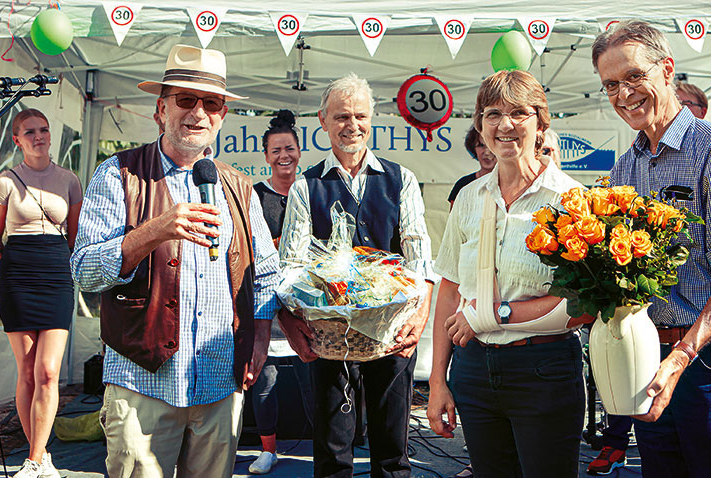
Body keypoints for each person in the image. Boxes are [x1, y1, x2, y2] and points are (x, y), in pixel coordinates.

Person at [70, 44, 281, 478]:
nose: (198, 113)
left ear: (222, 116)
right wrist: (154, 230)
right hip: (143, 383)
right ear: (160, 110)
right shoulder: (120, 174)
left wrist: (260, 340)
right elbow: (85, 271)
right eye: (185, 100)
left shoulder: (239, 187)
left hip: (220, 385)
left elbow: (266, 276)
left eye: (212, 103)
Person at [592, 20, 711, 477]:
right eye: (611, 84)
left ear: (667, 69)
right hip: (651, 358)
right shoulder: (625, 168)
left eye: (634, 77)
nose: (624, 94)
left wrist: (680, 358)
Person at [426, 69, 591, 478]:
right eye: (492, 113)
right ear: (480, 126)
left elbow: (582, 305)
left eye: (519, 113)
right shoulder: (468, 196)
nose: (505, 125)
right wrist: (437, 382)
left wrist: (489, 314)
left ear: (540, 124)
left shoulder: (571, 201)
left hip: (543, 368)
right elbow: (449, 289)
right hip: (475, 369)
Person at [277, 73, 435, 478]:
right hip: (329, 336)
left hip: (392, 334)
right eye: (342, 116)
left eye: (360, 116)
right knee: (332, 450)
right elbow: (291, 266)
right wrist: (295, 320)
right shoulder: (306, 186)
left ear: (373, 119)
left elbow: (420, 260)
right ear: (323, 120)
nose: (352, 125)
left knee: (392, 452)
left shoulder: (401, 180)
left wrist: (419, 317)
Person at [0, 108, 82, 478]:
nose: (39, 136)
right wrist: (7, 271)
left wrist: (65, 269)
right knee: (26, 371)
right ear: (16, 139)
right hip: (18, 275)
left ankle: (36, 458)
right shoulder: (5, 180)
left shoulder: (70, 179)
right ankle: (38, 456)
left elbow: (74, 237)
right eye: (30, 132)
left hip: (56, 273)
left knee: (48, 370)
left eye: (43, 130)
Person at [249, 109, 314, 475]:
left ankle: (324, 447)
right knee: (265, 381)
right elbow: (250, 247)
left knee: (313, 380)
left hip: (307, 303)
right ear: (266, 156)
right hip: (268, 303)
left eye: (289, 148)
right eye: (276, 150)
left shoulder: (310, 191)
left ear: (299, 151)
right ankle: (267, 450)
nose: (283, 156)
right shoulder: (256, 196)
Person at [447, 127, 497, 208]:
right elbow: (454, 219)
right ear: (473, 148)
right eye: (481, 145)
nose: (487, 152)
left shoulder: (512, 185)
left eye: (491, 145)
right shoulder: (463, 184)